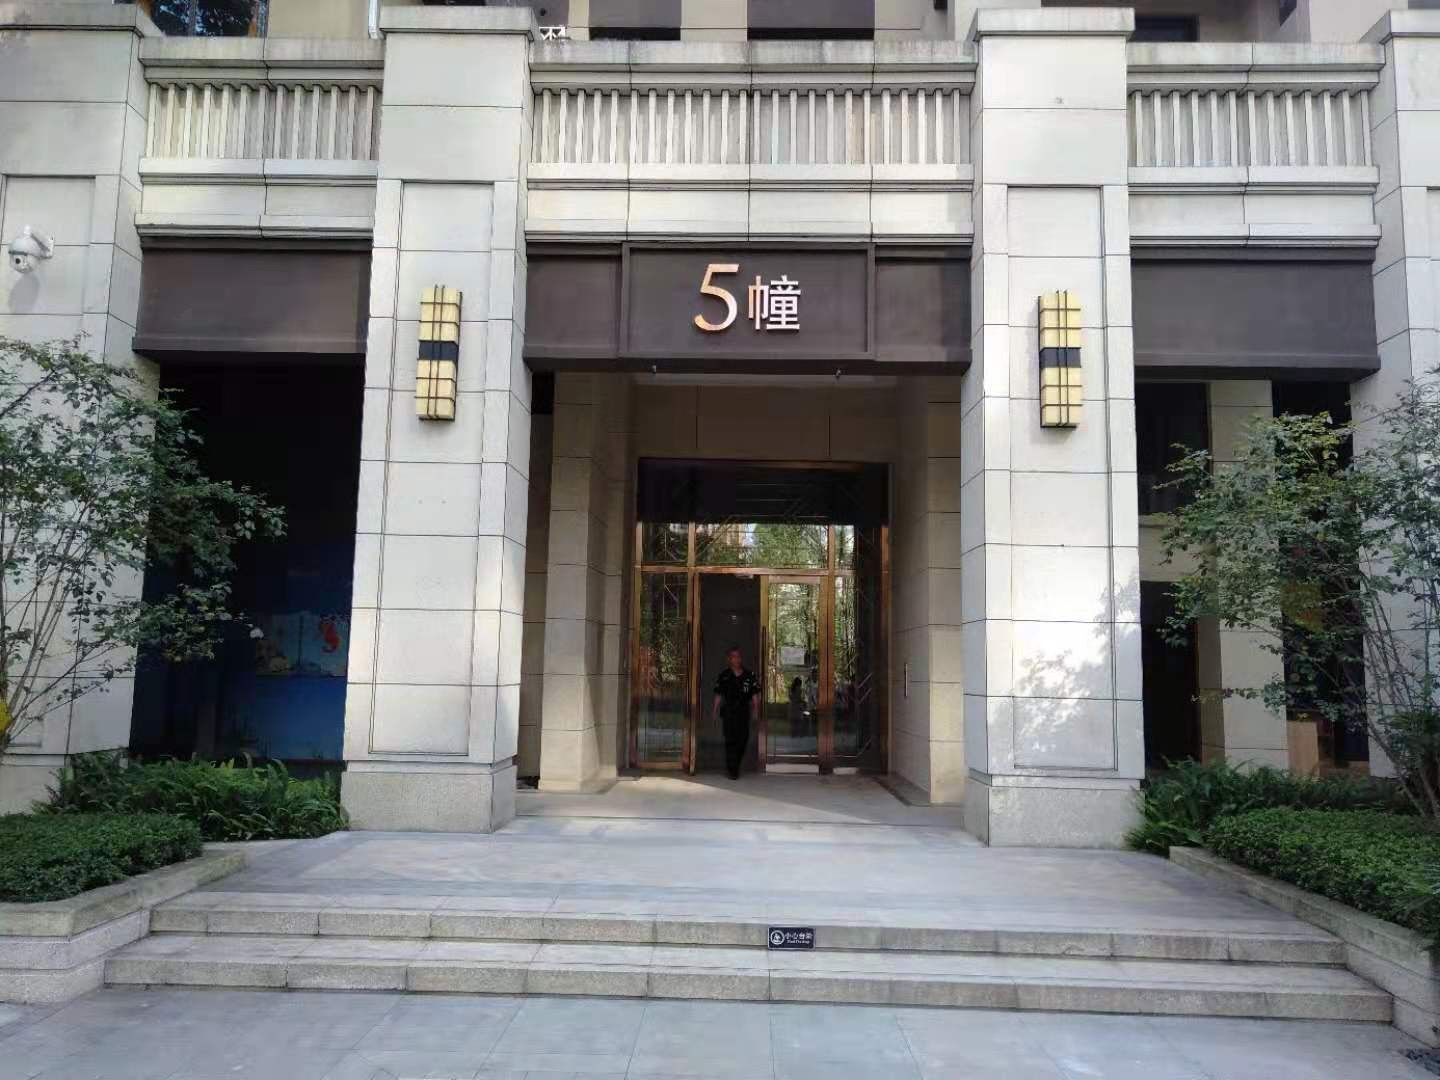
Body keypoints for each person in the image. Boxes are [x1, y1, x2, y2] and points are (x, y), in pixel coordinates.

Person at [712, 646, 760, 780]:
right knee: (730, 740)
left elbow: (755, 695)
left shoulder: (749, 676)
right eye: (733, 657)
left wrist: (756, 710)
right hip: (729, 712)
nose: (736, 659)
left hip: (743, 712)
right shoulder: (724, 676)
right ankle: (732, 769)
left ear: (741, 658)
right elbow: (718, 695)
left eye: (738, 656)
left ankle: (735, 765)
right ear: (729, 659)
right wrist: (714, 711)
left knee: (743, 739)